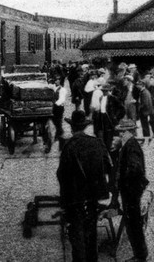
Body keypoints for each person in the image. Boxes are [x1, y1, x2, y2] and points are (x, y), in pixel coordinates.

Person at [57, 110, 112, 262]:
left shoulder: (69, 146)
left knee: (77, 236)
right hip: (93, 198)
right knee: (91, 234)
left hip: (75, 200)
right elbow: (108, 167)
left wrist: (64, 201)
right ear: (85, 127)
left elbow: (62, 175)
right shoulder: (97, 143)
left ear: (72, 128)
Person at [114, 119, 149, 262]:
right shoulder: (128, 144)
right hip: (132, 191)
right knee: (132, 224)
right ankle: (140, 254)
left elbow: (135, 170)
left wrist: (125, 183)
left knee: (134, 225)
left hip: (132, 192)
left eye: (123, 132)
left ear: (130, 132)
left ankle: (140, 256)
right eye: (120, 132)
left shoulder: (131, 146)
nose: (120, 134)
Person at [136, 80, 154, 145]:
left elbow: (144, 103)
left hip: (145, 112)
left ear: (142, 85)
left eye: (138, 85)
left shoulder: (144, 92)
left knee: (145, 126)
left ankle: (147, 140)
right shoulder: (145, 91)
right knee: (148, 124)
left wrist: (138, 108)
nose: (137, 86)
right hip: (147, 111)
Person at [50, 75, 67, 153]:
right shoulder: (53, 87)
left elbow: (62, 99)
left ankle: (58, 134)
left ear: (60, 81)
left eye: (58, 80)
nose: (56, 81)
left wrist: (55, 104)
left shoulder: (62, 89)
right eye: (56, 80)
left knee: (58, 120)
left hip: (59, 107)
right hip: (54, 107)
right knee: (54, 120)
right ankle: (60, 131)